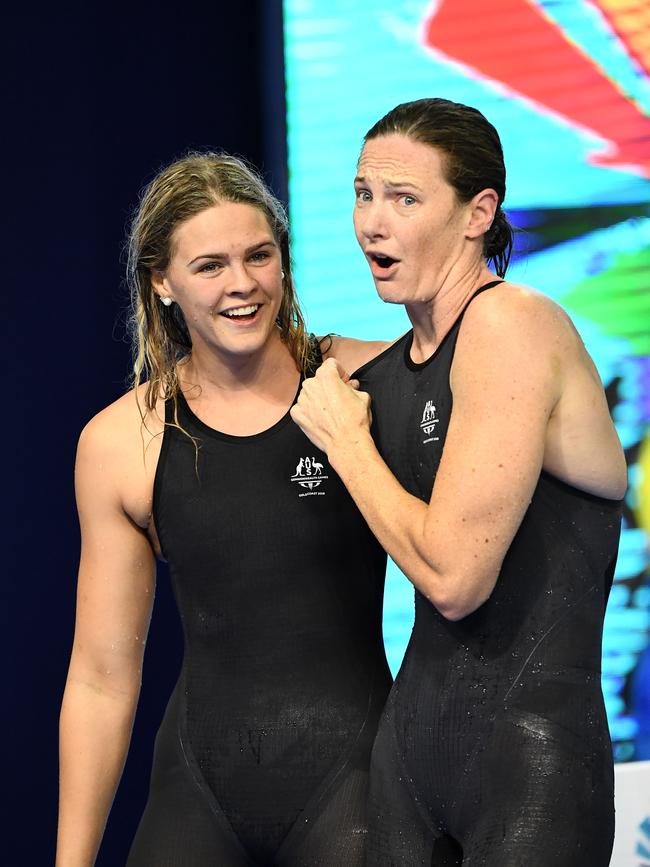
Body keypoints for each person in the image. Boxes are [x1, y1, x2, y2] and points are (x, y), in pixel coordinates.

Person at [290, 98, 627, 866]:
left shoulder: (516, 325)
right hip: (409, 761)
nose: (372, 222)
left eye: (404, 198)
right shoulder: (401, 358)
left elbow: (455, 577)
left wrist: (347, 441)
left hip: (530, 767)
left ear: (479, 213)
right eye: (362, 192)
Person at [56, 153, 393, 867]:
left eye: (259, 256)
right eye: (210, 266)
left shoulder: (367, 387)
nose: (242, 284)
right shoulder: (123, 441)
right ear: (162, 281)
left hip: (353, 782)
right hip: (199, 791)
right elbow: (100, 675)